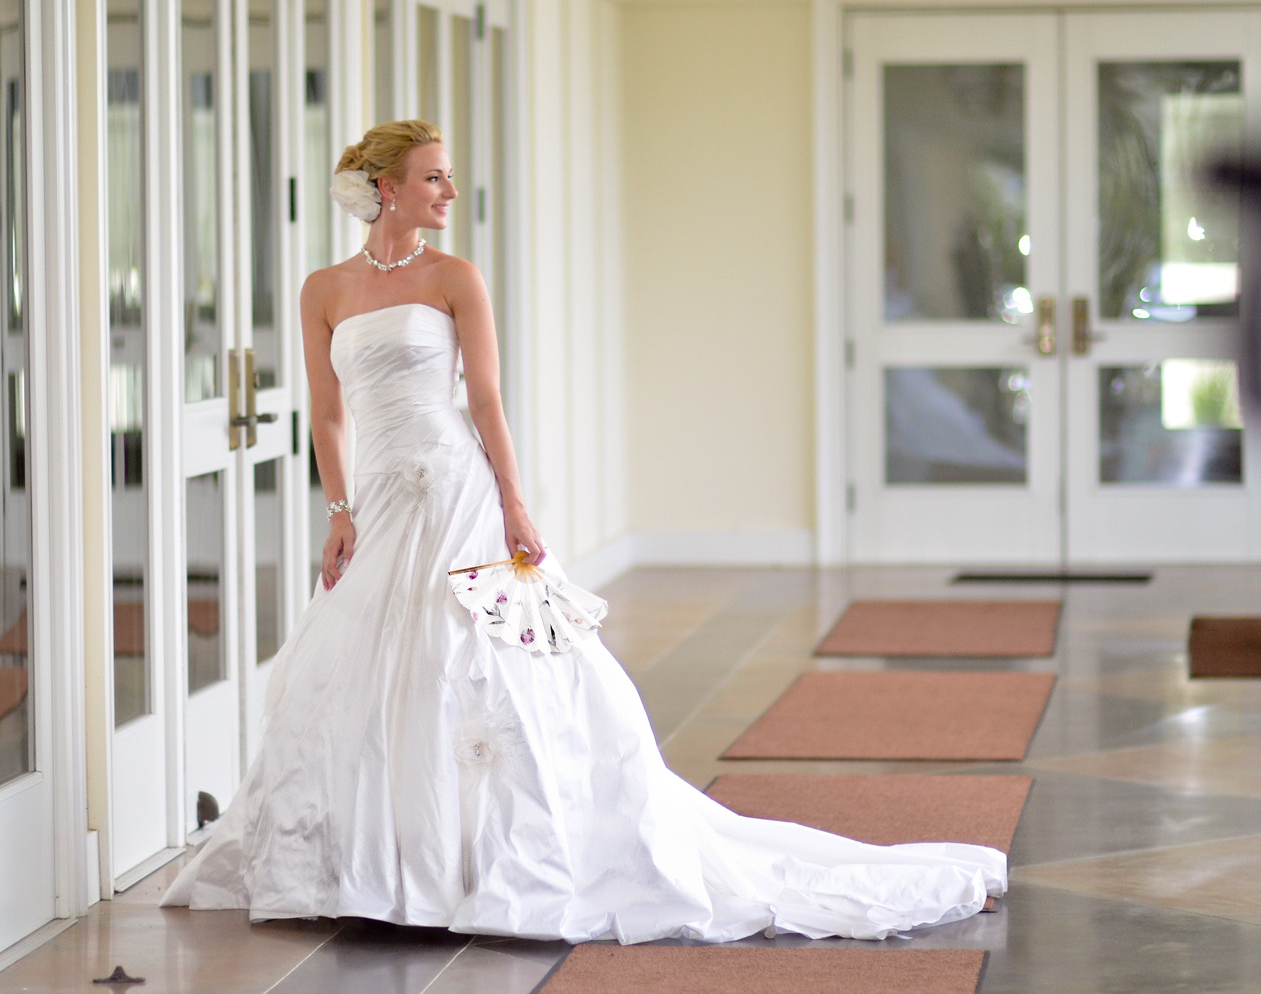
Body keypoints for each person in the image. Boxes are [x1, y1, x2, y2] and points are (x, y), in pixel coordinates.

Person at [161, 120, 1006, 942]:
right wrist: (339, 511)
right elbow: (329, 412)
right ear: (386, 189)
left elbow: (485, 401)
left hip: (458, 490)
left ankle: (477, 861)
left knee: (466, 659)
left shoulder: (456, 277)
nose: (450, 190)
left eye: (448, 175)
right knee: (373, 665)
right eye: (433, 177)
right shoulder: (325, 289)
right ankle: (373, 864)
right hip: (379, 500)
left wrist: (516, 505)